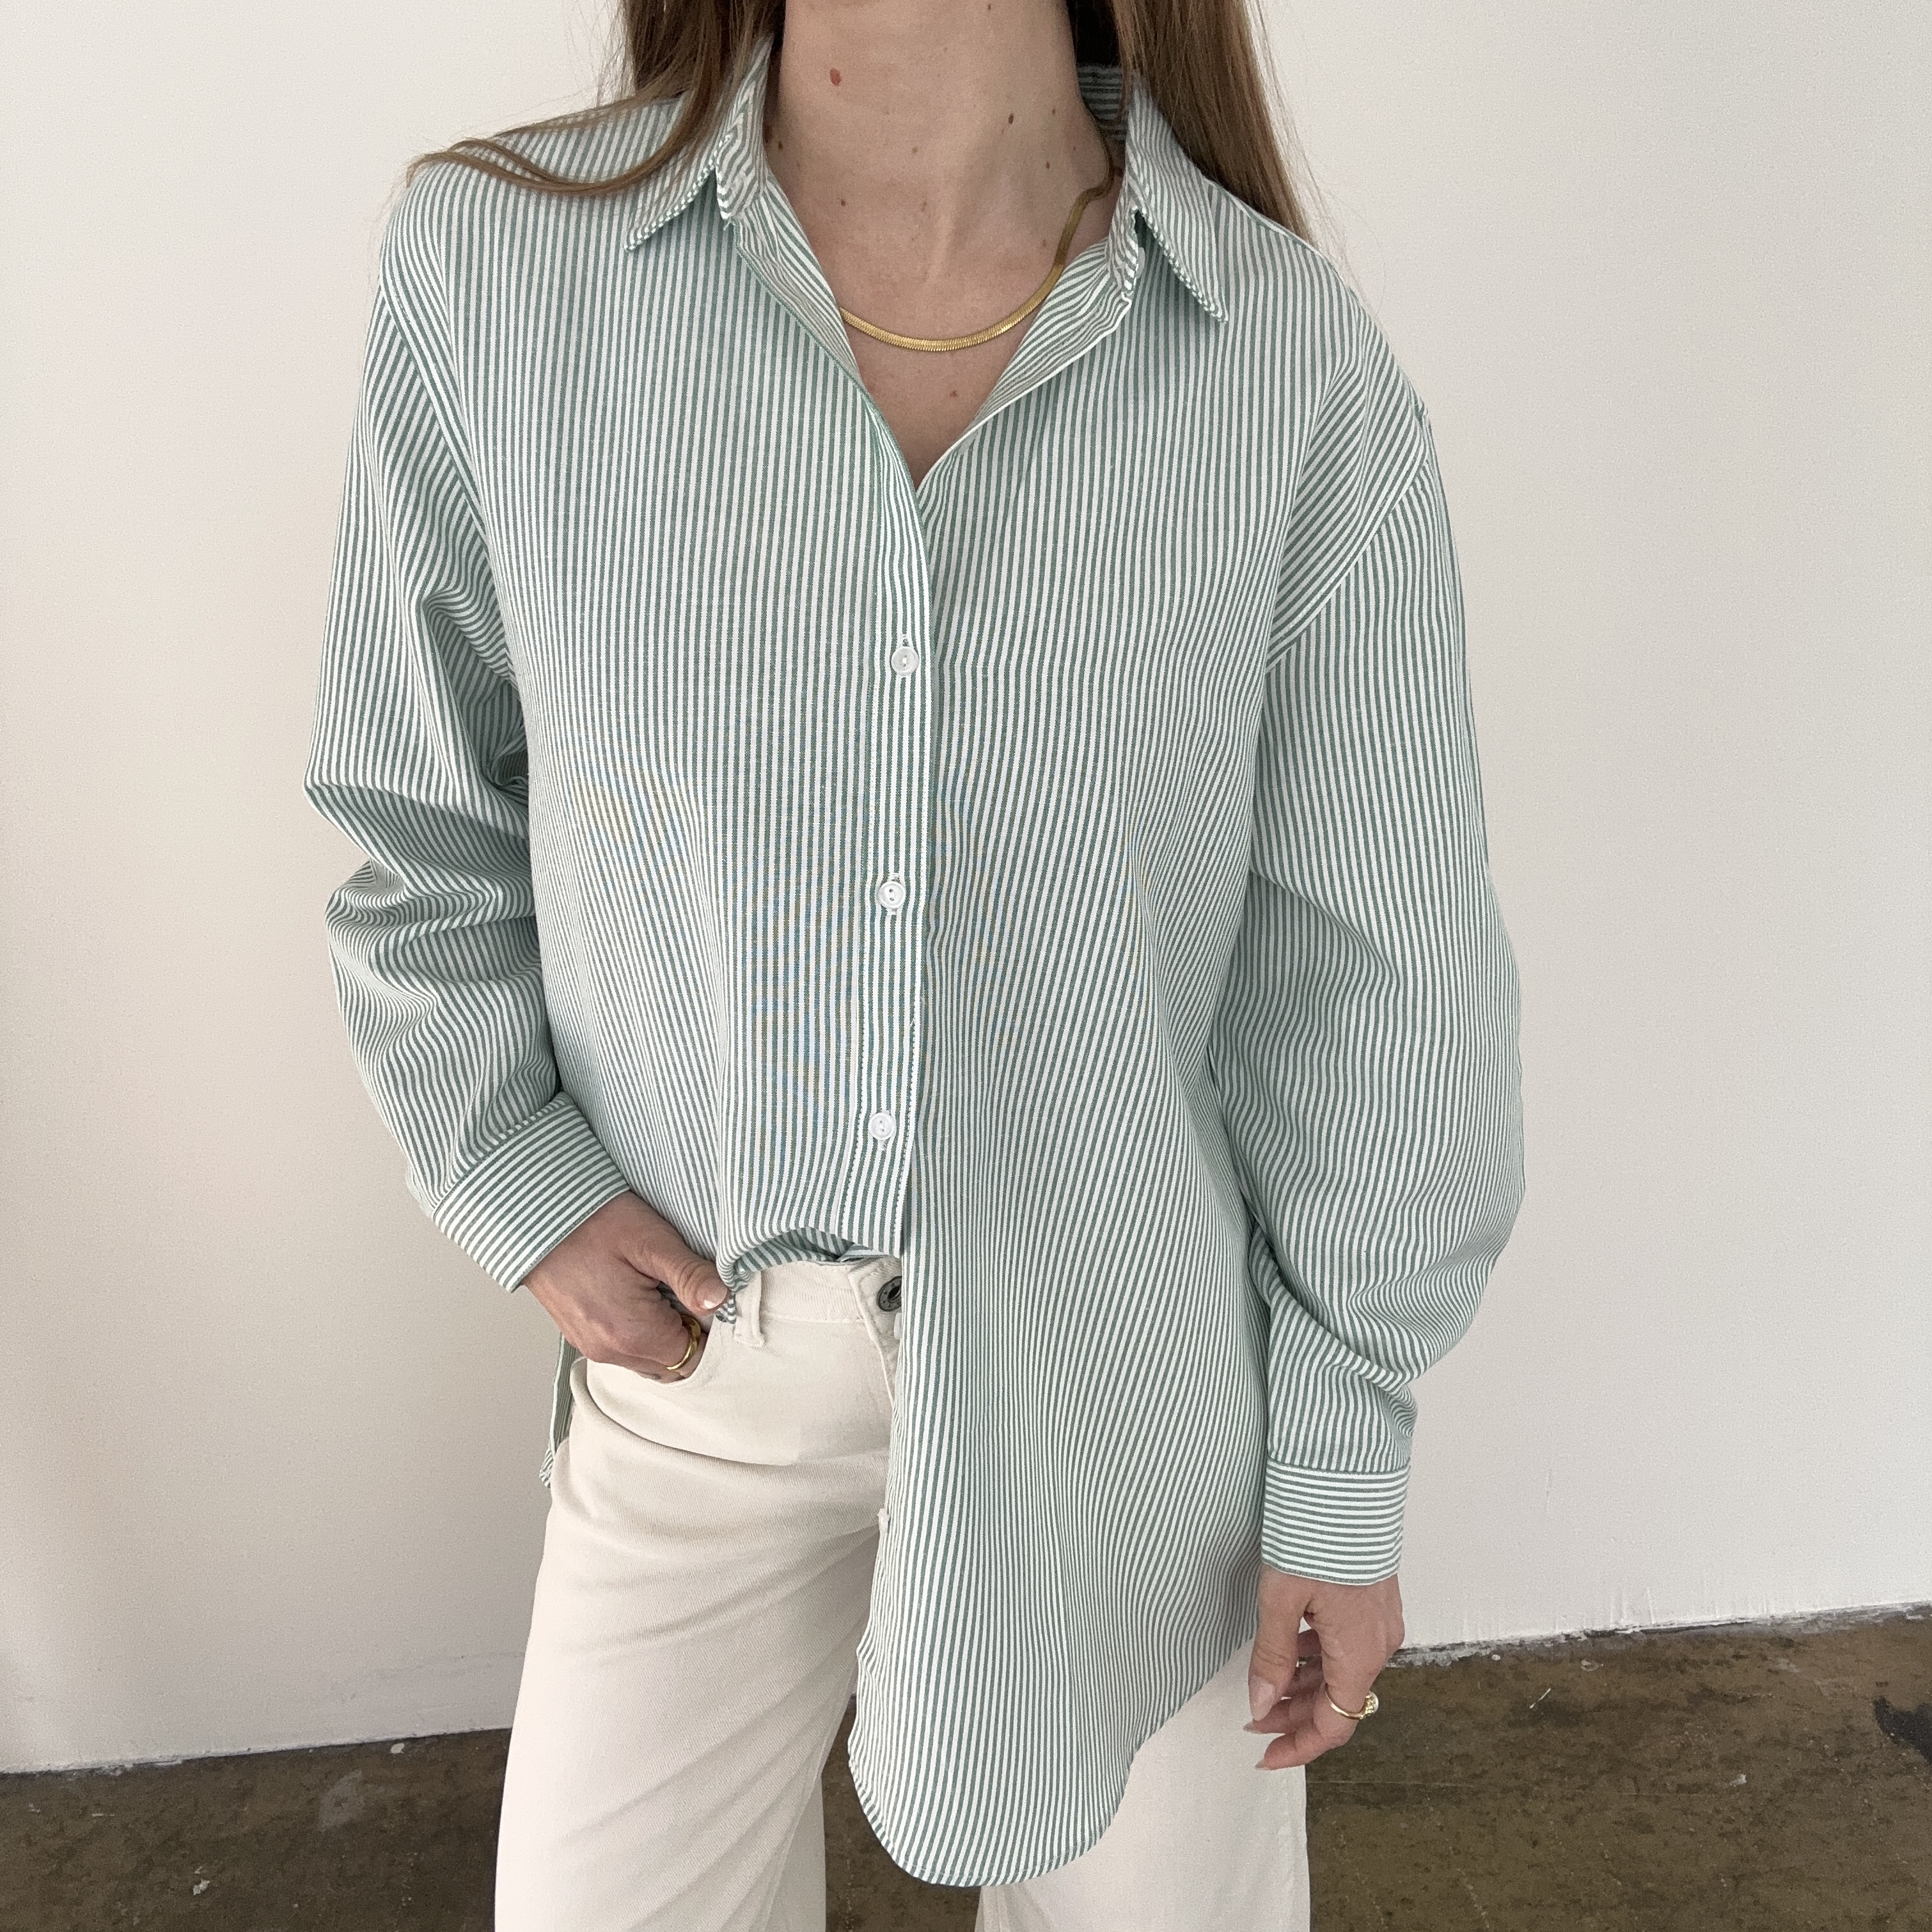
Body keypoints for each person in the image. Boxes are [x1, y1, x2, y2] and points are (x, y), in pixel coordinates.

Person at [303, 0, 1525, 1924]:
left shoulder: (1290, 368)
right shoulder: (502, 273)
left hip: (1134, 1400)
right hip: (704, 1381)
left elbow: (1378, 981)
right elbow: (416, 814)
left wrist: (1338, 1467)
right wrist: (514, 1175)